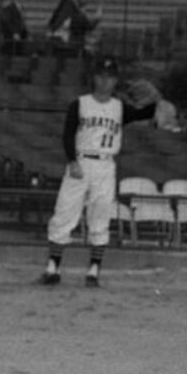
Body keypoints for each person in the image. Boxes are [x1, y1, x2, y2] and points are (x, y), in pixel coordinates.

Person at [39, 58, 159, 287]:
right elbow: (68, 134)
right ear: (94, 78)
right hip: (82, 161)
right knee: (64, 212)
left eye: (110, 77)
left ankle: (94, 271)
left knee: (100, 214)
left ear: (115, 81)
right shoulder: (80, 104)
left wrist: (157, 97)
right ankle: (53, 267)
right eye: (101, 76)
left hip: (105, 165)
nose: (105, 81)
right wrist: (72, 160)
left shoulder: (119, 107)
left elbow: (145, 113)